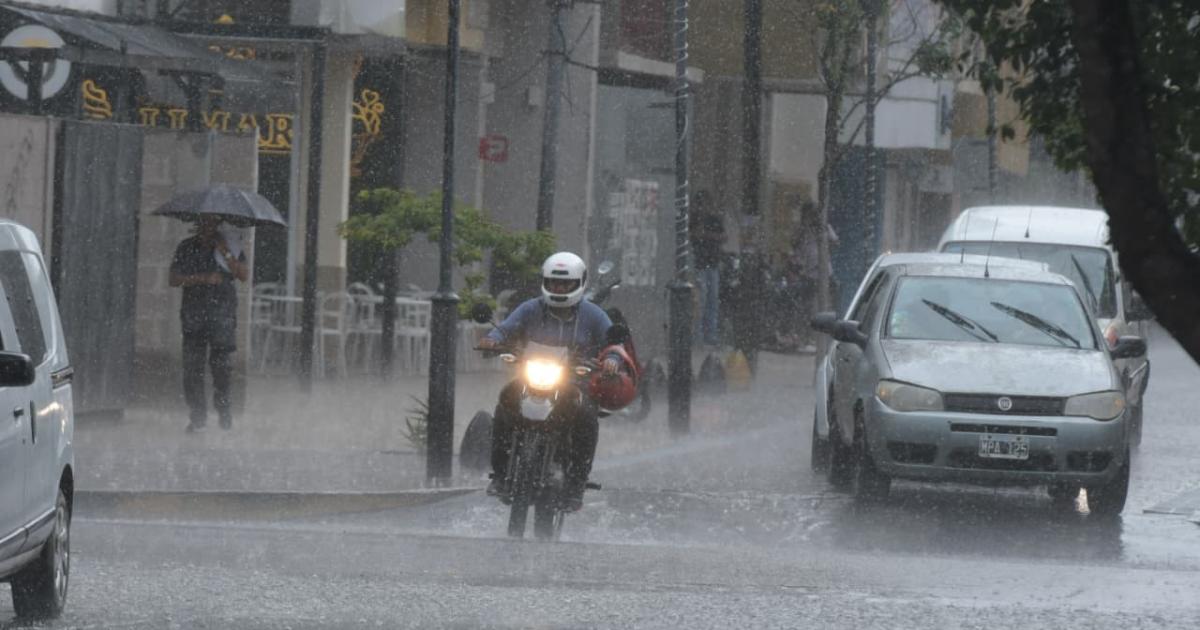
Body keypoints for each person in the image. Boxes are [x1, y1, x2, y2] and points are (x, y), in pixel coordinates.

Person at [477, 252, 623, 511]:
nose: (558, 288)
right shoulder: (530, 308)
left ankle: (576, 485)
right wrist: (492, 340)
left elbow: (614, 342)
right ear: (545, 281)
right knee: (504, 404)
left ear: (579, 283)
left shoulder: (593, 314)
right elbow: (505, 328)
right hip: (530, 377)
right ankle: (500, 475)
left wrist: (612, 358)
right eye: (554, 282)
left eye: (565, 284)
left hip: (573, 382)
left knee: (587, 417)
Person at [169, 215, 248, 432]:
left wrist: (225, 252)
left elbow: (242, 274)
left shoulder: (229, 246)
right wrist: (202, 278)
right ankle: (198, 416)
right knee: (192, 369)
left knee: (222, 368)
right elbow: (173, 279)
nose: (208, 228)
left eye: (213, 224)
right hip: (194, 316)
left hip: (222, 316)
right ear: (198, 225)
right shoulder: (186, 247)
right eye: (204, 224)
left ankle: (224, 411)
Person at [690, 192, 726, 346]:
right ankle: (698, 334)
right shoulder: (694, 219)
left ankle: (710, 334)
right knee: (701, 301)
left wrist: (708, 235)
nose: (703, 208)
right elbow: (692, 235)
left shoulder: (714, 219)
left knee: (712, 300)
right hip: (699, 264)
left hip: (712, 264)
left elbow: (724, 236)